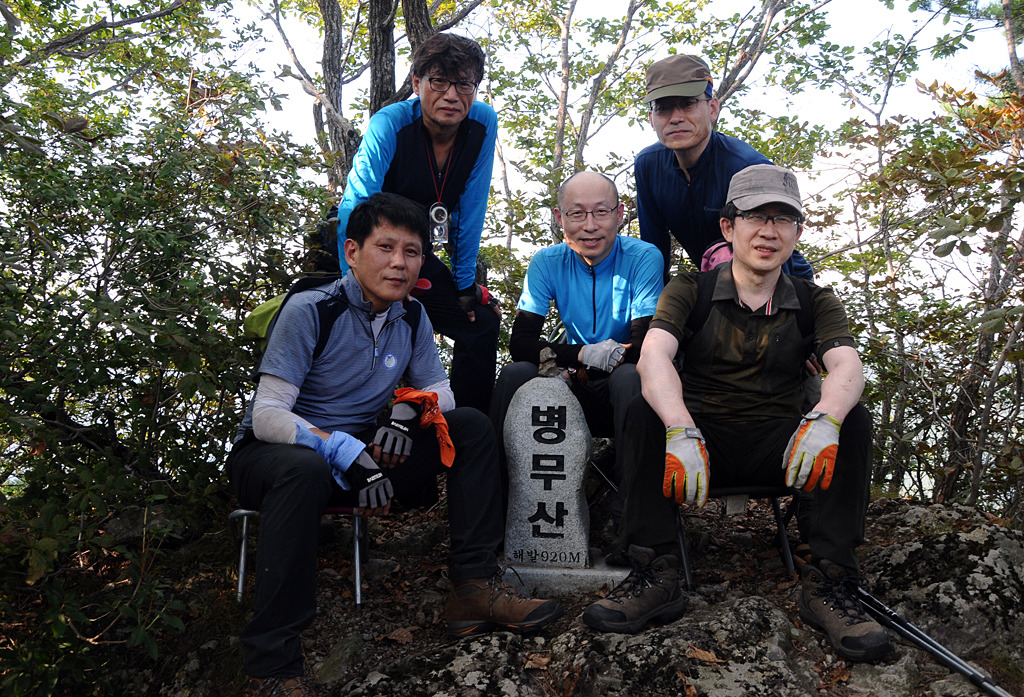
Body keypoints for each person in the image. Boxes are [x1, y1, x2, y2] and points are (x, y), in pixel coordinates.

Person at [228, 193, 563, 697]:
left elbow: (441, 392)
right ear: (352, 251)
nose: (399, 263)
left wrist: (406, 413)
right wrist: (342, 450)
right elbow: (268, 415)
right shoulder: (311, 310)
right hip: (277, 459)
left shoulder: (412, 316)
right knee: (304, 469)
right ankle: (272, 665)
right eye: (385, 247)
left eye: (412, 252)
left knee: (470, 426)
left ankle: (474, 587)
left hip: (364, 456)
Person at [582, 165, 893, 664]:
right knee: (643, 411)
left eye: (782, 219)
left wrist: (826, 418)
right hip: (703, 446)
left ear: (797, 232)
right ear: (729, 227)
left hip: (782, 447)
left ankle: (832, 580)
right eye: (755, 217)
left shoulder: (813, 300)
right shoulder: (692, 289)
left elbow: (847, 366)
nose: (769, 232)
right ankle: (654, 569)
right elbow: (654, 356)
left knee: (852, 417)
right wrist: (681, 429)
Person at [335, 32, 500, 414]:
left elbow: (472, 205)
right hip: (368, 249)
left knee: (479, 322)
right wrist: (355, 285)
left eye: (464, 84)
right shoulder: (390, 124)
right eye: (438, 81)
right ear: (417, 83)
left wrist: (464, 285)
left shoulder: (482, 123)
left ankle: (465, 425)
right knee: (363, 320)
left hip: (415, 254)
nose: (451, 95)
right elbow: (355, 206)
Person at [489, 171, 663, 512]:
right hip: (572, 383)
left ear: (619, 214)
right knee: (514, 374)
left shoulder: (643, 257)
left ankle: (636, 514)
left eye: (601, 212)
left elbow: (642, 346)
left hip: (620, 392)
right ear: (560, 218)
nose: (590, 226)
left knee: (631, 377)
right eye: (577, 213)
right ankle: (497, 506)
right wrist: (581, 355)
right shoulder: (547, 262)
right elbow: (521, 342)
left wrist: (576, 365)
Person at [634, 54, 814, 282]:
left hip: (783, 281)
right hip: (716, 281)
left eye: (688, 104)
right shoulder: (649, 166)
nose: (676, 118)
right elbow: (653, 251)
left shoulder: (748, 168)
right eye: (663, 108)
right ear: (651, 118)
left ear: (712, 108)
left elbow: (771, 246)